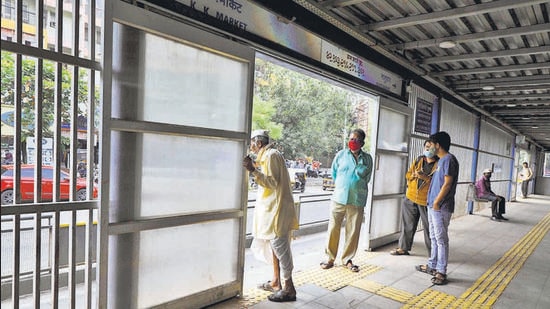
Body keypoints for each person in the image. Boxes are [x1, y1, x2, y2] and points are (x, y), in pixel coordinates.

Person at [242, 129, 299, 302]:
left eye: (252, 142)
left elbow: (272, 182)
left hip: (277, 210)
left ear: (259, 143)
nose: (251, 146)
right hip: (271, 210)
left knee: (281, 249)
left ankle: (289, 289)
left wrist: (252, 170)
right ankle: (276, 281)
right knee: (275, 247)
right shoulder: (266, 156)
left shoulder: (272, 155)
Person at [320, 128, 373, 272]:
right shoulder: (341, 155)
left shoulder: (367, 158)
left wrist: (355, 186)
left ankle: (347, 259)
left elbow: (367, 178)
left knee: (353, 230)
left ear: (362, 142)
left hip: (357, 199)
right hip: (339, 197)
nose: (352, 142)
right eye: (351, 139)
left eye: (356, 139)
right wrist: (343, 186)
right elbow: (334, 173)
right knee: (333, 228)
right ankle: (330, 258)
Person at [415, 131, 459, 286]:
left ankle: (441, 271)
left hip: (440, 206)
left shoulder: (448, 159)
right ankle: (432, 265)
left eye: (431, 144)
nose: (430, 147)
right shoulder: (441, 161)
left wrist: (436, 202)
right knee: (434, 237)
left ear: (438, 145)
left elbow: (447, 184)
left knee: (441, 239)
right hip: (433, 205)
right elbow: (439, 182)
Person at [390, 140, 438, 256]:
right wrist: (413, 175)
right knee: (407, 224)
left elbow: (438, 183)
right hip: (411, 197)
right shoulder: (419, 160)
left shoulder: (439, 164)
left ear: (436, 149)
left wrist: (425, 177)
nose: (428, 150)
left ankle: (433, 254)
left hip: (426, 201)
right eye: (426, 147)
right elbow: (408, 174)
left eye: (431, 148)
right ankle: (403, 248)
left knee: (429, 228)